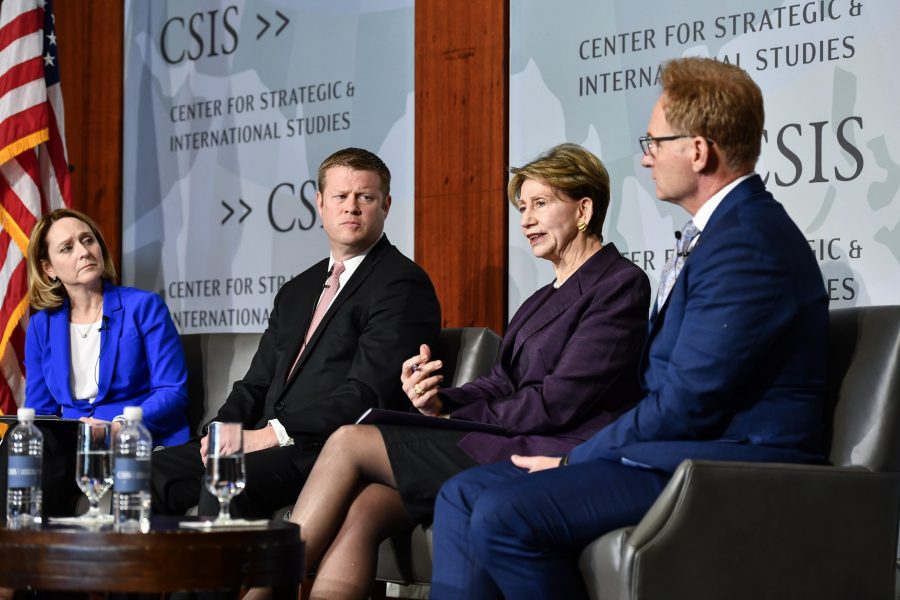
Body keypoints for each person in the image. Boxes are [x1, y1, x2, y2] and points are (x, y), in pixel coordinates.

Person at [429, 57, 829, 599]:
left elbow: (689, 401)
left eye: (655, 142)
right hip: (678, 450)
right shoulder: (721, 235)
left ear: (698, 150)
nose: (645, 158)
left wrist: (573, 458)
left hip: (730, 460)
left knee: (503, 513)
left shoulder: (747, 244)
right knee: (461, 493)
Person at [244, 143, 651, 600]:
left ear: (584, 209)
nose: (526, 221)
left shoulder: (619, 283)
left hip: (556, 446)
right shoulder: (541, 297)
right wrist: (441, 401)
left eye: (540, 204)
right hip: (506, 434)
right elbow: (501, 381)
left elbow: (560, 401)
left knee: (347, 441)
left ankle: (260, 595)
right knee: (364, 510)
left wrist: (458, 420)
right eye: (522, 207)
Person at [150, 147, 442, 519]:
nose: (351, 207)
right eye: (340, 196)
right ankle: (164, 579)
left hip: (324, 447)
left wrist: (268, 436)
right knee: (146, 475)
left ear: (385, 205)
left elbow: (368, 395)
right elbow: (256, 383)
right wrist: (222, 430)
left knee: (228, 480)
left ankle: (224, 580)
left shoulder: (401, 283)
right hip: (264, 441)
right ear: (320, 204)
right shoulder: (297, 290)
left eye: (365, 197)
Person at [17, 207, 189, 516]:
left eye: (88, 240)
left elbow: (172, 391)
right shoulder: (43, 326)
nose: (83, 251)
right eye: (67, 248)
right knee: (25, 448)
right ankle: (26, 553)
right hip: (73, 446)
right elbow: (41, 411)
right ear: (48, 269)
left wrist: (120, 425)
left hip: (131, 440)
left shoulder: (143, 307)